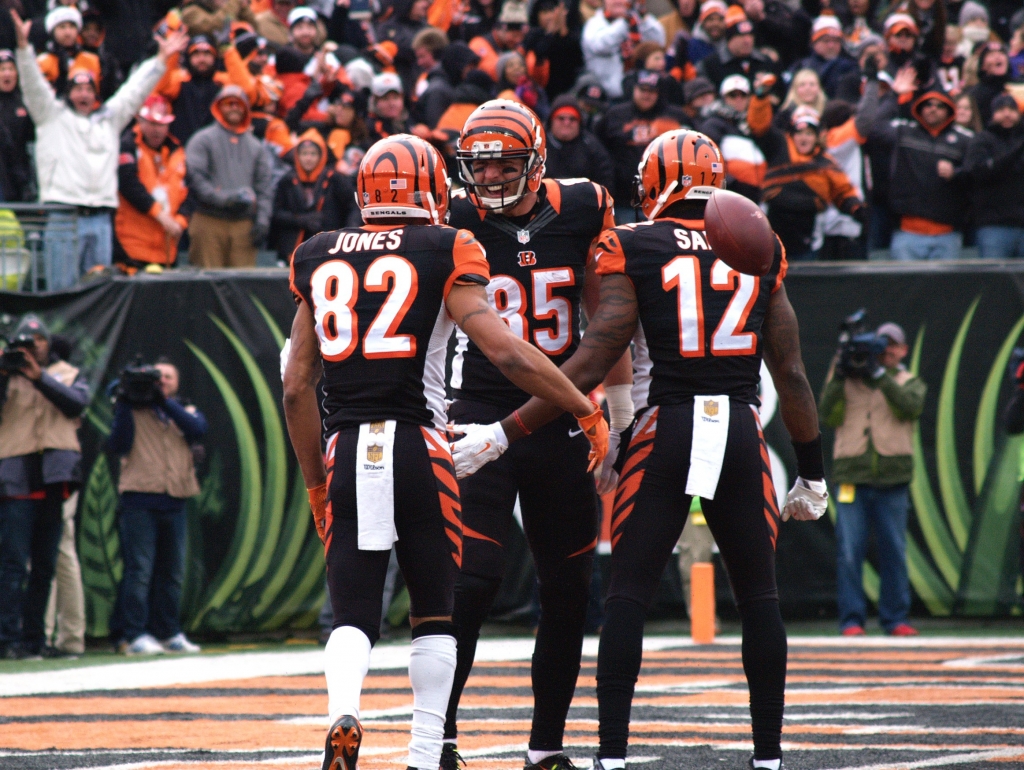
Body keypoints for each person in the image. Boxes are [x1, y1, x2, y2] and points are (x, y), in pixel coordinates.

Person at [452, 128, 828, 770]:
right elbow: (790, 373)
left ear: (651, 184)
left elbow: (598, 352)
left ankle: (611, 756)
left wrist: (524, 428)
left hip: (665, 427)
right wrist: (813, 474)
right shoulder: (760, 243)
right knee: (760, 596)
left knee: (626, 594)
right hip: (739, 427)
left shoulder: (628, 241)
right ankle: (768, 758)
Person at [282, 133, 607, 770]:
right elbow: (508, 352)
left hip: (347, 447)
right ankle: (427, 755)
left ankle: (344, 709)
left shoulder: (316, 253)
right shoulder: (448, 244)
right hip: (423, 446)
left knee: (353, 607)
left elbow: (296, 385)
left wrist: (316, 486)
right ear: (433, 188)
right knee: (435, 611)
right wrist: (582, 406)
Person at [439, 100, 629, 770]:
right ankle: (440, 734)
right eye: (479, 165)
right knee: (471, 581)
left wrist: (624, 401)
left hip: (559, 417)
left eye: (504, 164)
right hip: (477, 408)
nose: (488, 178)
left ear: (538, 159)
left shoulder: (584, 205)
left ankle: (545, 745)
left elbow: (607, 311)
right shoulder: (454, 216)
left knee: (570, 588)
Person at [11, 10, 187, 290]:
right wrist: (23, 49)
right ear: (67, 92)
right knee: (63, 291)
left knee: (99, 294)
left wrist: (161, 61)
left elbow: (134, 91)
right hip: (63, 217)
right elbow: (33, 85)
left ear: (96, 93)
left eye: (89, 89)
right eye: (77, 89)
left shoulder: (109, 119)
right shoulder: (51, 116)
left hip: (102, 219)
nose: (83, 94)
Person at [819, 321, 926, 636]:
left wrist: (879, 377)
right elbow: (827, 413)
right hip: (852, 476)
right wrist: (840, 374)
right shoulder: (847, 378)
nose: (888, 352)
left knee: (894, 549)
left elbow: (910, 408)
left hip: (892, 479)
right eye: (883, 346)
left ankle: (895, 618)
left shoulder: (909, 380)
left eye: (894, 346)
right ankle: (852, 620)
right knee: (850, 551)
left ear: (904, 350)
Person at [0, 314, 91, 659]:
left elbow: (76, 404)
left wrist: (38, 377)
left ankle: (34, 639)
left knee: (45, 565)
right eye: (24, 343)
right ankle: (8, 637)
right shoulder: (5, 374)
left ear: (47, 344)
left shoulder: (67, 373)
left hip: (55, 477)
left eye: (36, 342)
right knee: (12, 563)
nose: (30, 348)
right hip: (15, 475)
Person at [108, 359, 207, 655]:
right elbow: (119, 443)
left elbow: (198, 428)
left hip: (175, 499)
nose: (161, 380)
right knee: (139, 571)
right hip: (139, 498)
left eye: (167, 376)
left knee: (172, 572)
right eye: (157, 376)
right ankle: (134, 633)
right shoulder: (130, 407)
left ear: (175, 382)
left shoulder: (184, 409)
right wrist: (126, 396)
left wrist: (161, 400)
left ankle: (169, 632)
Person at [869, 87, 972, 260]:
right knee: (906, 287)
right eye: (928, 105)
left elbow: (977, 172)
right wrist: (894, 95)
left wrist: (956, 172)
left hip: (948, 233)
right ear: (919, 108)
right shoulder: (904, 131)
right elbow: (875, 127)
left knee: (946, 287)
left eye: (940, 106)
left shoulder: (965, 139)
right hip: (908, 232)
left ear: (949, 110)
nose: (933, 109)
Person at [760, 105, 865, 260]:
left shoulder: (825, 163)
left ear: (817, 137)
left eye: (809, 133)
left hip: (807, 238)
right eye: (799, 133)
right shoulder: (778, 149)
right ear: (792, 135)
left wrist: (856, 208)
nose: (804, 138)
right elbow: (759, 125)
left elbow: (842, 191)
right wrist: (761, 98)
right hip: (771, 235)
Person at [186, 85, 274, 267]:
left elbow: (265, 187)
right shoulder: (202, 139)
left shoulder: (256, 147)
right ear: (218, 107)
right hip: (208, 220)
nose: (234, 107)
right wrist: (226, 199)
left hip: (244, 225)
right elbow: (196, 179)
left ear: (246, 109)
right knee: (208, 281)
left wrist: (263, 220)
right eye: (228, 103)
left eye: (239, 104)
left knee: (242, 284)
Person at [594, 70, 688, 221]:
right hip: (624, 200)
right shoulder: (615, 115)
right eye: (643, 90)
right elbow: (597, 150)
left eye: (652, 91)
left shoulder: (676, 117)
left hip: (665, 201)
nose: (647, 95)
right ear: (634, 89)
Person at [114, 95, 189, 273]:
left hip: (167, 250)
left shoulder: (178, 153)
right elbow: (128, 184)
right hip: (132, 249)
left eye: (161, 124)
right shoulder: (128, 145)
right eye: (152, 124)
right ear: (140, 120)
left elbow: (189, 192)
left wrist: (181, 221)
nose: (157, 130)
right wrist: (159, 214)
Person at [964, 93, 1024, 258]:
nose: (1007, 114)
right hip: (993, 225)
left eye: (1012, 109)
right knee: (995, 280)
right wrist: (1016, 151)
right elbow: (976, 172)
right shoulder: (982, 140)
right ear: (992, 114)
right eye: (1001, 109)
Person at [271, 129, 334, 263]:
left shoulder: (334, 180)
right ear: (297, 156)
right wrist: (300, 220)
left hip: (327, 248)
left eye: (313, 154)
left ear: (321, 156)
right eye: (304, 154)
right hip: (292, 248)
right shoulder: (287, 180)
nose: (308, 158)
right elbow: (276, 214)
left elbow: (350, 207)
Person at [581, 0, 665, 100]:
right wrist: (626, 21)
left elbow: (659, 42)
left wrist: (643, 17)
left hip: (641, 96)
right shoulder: (595, 24)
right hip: (606, 98)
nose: (618, 1)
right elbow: (600, 45)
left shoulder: (637, 20)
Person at [544, 92, 614, 190]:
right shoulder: (539, 144)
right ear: (551, 120)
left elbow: (605, 182)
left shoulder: (593, 147)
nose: (566, 123)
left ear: (579, 122)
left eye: (572, 119)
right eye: (561, 118)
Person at [787, 15, 859, 99]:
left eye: (836, 41)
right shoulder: (800, 67)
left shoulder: (850, 67)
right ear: (814, 43)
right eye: (826, 40)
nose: (831, 45)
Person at [0, 47, 35, 202]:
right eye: (2, 69)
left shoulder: (27, 102)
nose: (7, 73)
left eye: (11, 68)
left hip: (21, 174)